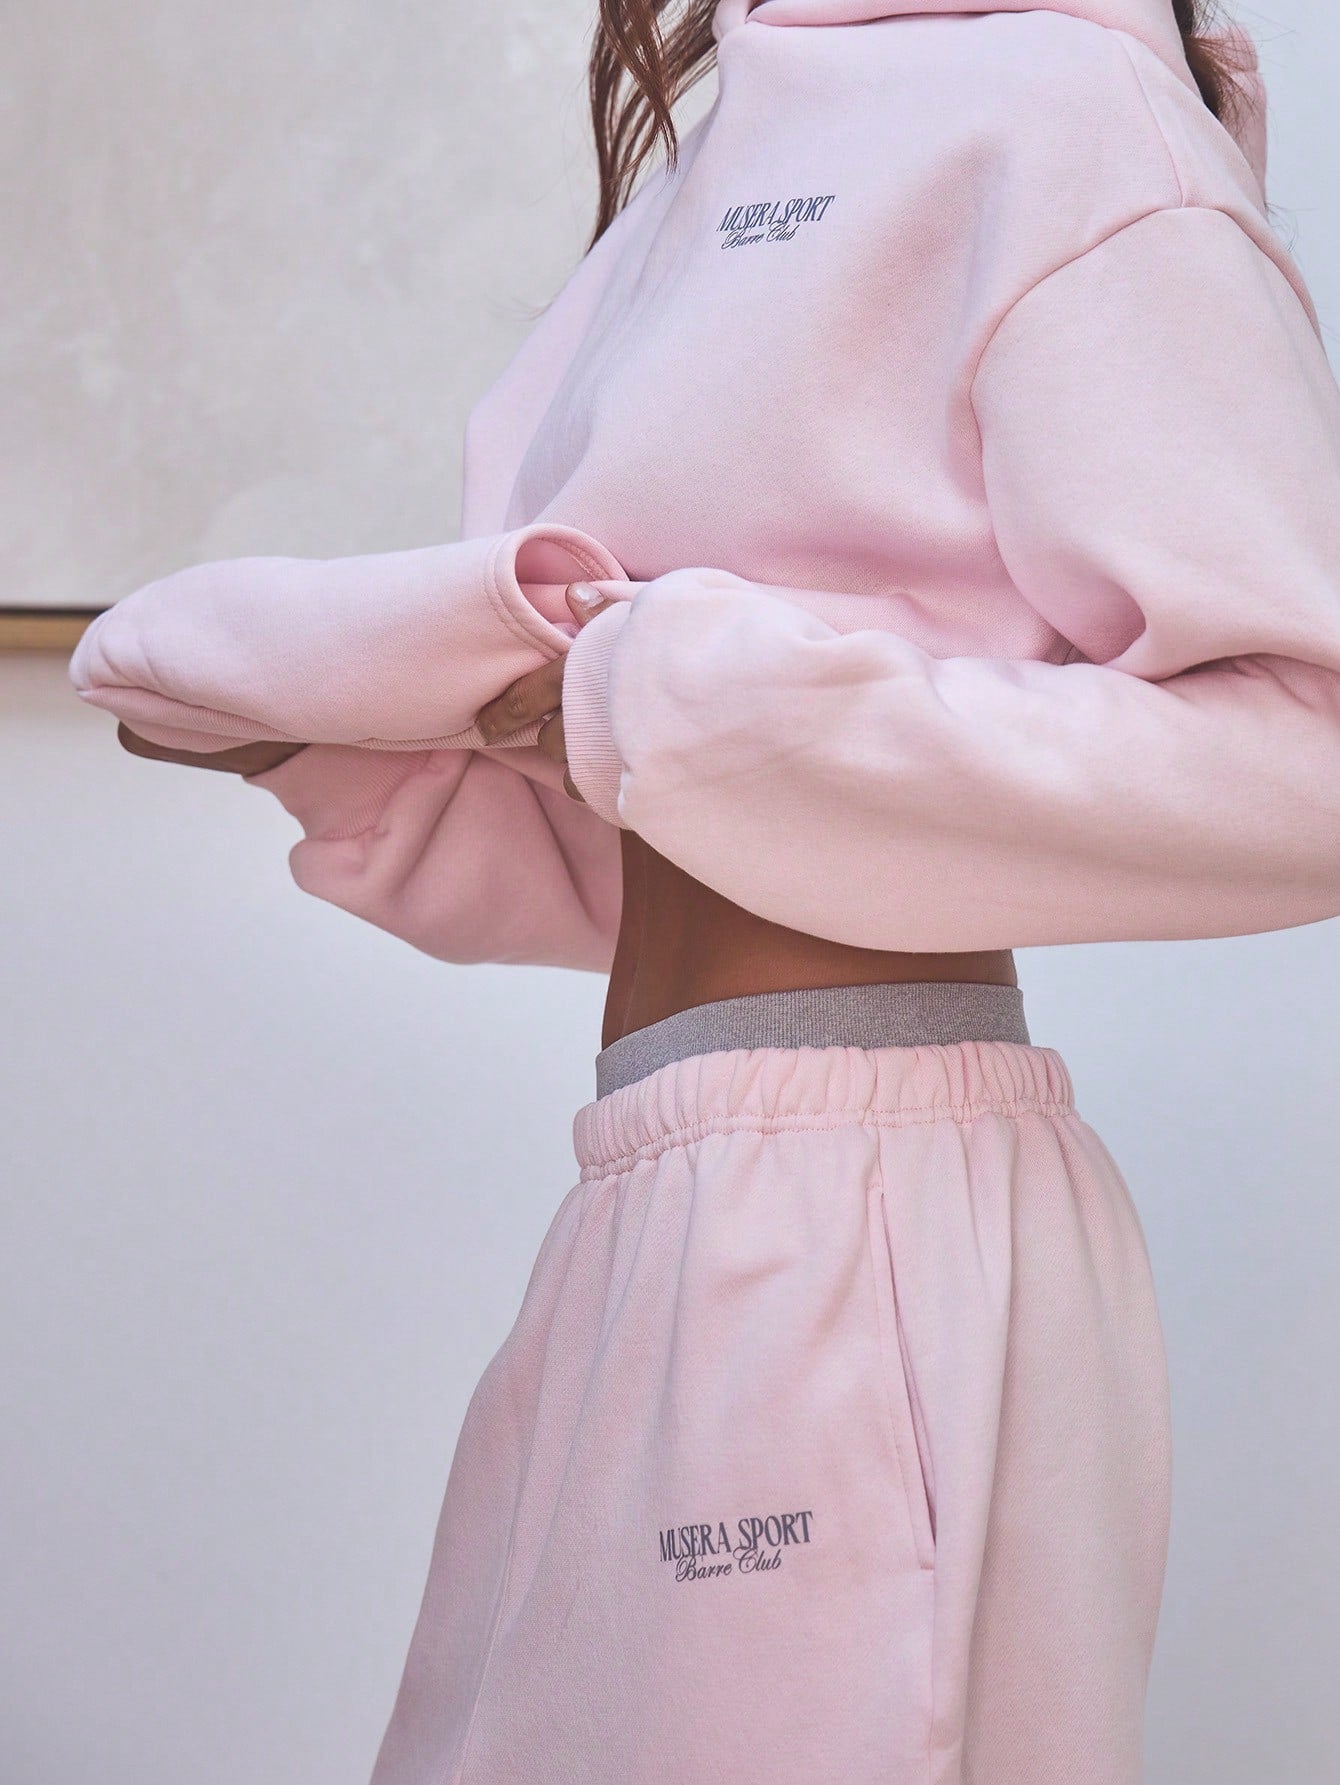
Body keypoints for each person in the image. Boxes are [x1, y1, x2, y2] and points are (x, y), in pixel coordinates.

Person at [70, 2, 1340, 1780]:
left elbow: (1306, 757)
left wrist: (668, 694)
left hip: (856, 1198)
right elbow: (669, 797)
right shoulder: (713, 156)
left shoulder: (1071, 116)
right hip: (661, 1174)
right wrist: (346, 734)